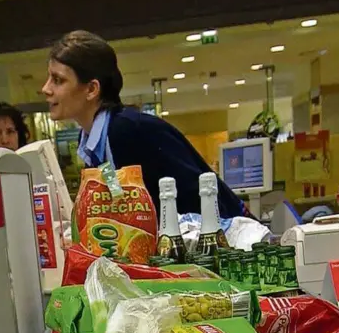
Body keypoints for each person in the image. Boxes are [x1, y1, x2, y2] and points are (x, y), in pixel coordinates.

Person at [42, 30, 246, 219]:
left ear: (92, 89)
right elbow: (120, 199)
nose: (46, 89)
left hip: (227, 237)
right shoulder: (94, 141)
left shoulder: (127, 131)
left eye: (58, 80)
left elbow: (197, 195)